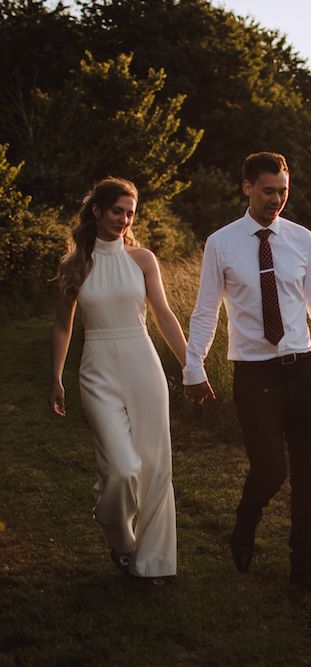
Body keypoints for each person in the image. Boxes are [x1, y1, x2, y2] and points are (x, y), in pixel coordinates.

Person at [184, 151, 311, 603]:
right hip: (253, 374)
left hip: (301, 370)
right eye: (267, 190)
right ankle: (245, 525)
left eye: (283, 190)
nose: (276, 199)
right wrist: (194, 365)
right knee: (271, 470)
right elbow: (206, 310)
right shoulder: (221, 242)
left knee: (308, 475)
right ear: (246, 188)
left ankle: (305, 571)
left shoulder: (302, 240)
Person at [49, 177, 187, 585]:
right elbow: (61, 326)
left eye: (130, 213)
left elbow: (162, 314)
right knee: (123, 469)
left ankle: (153, 562)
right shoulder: (74, 265)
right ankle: (120, 538)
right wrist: (56, 377)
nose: (124, 220)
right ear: (97, 211)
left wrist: (190, 365)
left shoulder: (143, 259)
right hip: (97, 369)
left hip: (143, 365)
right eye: (117, 211)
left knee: (155, 466)